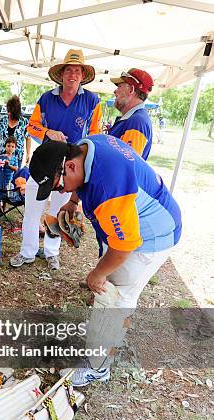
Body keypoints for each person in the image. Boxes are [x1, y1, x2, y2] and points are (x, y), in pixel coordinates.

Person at [29, 134, 181, 386]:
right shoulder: (86, 145)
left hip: (152, 234)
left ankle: (98, 367)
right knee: (111, 288)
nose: (60, 190)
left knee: (114, 295)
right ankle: (105, 342)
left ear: (70, 167)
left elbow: (124, 246)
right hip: (143, 221)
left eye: (58, 186)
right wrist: (73, 200)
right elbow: (86, 182)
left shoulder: (109, 187)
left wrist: (97, 273)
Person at [10, 48, 102, 271]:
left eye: (77, 71)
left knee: (58, 213)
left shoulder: (92, 101)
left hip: (70, 170)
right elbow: (31, 126)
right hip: (43, 165)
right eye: (69, 70)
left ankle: (52, 253)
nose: (73, 75)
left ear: (82, 75)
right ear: (61, 74)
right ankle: (27, 252)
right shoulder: (46, 98)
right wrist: (47, 133)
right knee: (32, 210)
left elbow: (95, 134)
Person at [108, 68, 154, 159]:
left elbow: (125, 165)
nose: (115, 91)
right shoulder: (134, 119)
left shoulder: (137, 122)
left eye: (119, 86)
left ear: (131, 90)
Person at [0, 95, 31, 166]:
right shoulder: (2, 120)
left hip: (17, 156)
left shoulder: (24, 122)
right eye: (8, 110)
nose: (9, 113)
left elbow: (28, 138)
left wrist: (28, 154)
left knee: (15, 176)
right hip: (2, 155)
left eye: (11, 112)